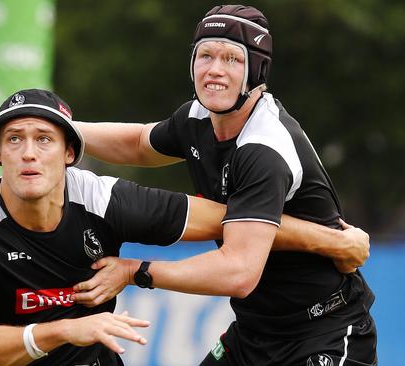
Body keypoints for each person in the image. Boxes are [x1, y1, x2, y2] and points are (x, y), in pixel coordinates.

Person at [0, 88, 370, 366]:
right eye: (14, 139)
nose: (28, 152)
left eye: (44, 139)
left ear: (70, 153)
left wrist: (331, 240)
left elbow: (237, 223)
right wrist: (67, 329)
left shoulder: (103, 199)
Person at [73, 5, 377, 366]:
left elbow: (238, 271)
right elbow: (139, 142)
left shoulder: (264, 148)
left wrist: (134, 271)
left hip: (323, 332)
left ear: (257, 71)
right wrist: (57, 130)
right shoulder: (197, 118)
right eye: (205, 55)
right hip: (253, 332)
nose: (215, 70)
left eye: (232, 59)